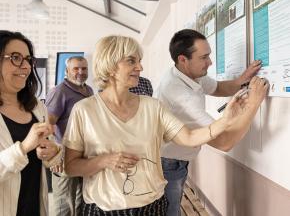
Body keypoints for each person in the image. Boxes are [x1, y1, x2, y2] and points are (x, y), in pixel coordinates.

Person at [62, 35, 268, 216]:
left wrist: (226, 119)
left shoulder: (153, 106)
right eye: (132, 61)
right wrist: (103, 161)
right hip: (103, 210)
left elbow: (188, 137)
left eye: (140, 61)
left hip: (151, 206)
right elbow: (70, 166)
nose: (140, 68)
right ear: (111, 65)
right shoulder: (84, 110)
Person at [156, 29, 265, 216]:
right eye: (204, 57)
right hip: (168, 163)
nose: (210, 62)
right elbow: (224, 142)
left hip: (176, 160)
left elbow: (217, 87)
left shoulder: (187, 73)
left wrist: (242, 79)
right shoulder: (179, 94)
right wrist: (254, 103)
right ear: (183, 59)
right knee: (170, 211)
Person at [0, 30, 62, 216]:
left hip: (35, 206)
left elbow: (50, 154)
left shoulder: (36, 107)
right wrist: (24, 147)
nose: (26, 66)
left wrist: (53, 152)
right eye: (16, 58)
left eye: (28, 59)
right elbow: (26, 147)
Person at [45, 56, 94, 216]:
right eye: (76, 68)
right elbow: (47, 125)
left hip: (84, 156)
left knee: (83, 200)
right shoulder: (59, 91)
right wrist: (55, 155)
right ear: (67, 71)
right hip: (63, 157)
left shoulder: (89, 90)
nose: (81, 72)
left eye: (84, 68)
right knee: (64, 205)